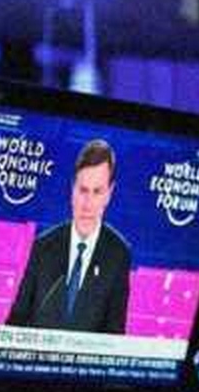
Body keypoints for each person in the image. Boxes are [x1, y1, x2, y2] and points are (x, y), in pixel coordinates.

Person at [7, 139, 131, 333]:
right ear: (72, 189)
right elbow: (17, 319)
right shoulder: (44, 246)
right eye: (83, 190)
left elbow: (114, 332)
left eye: (97, 192)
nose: (88, 204)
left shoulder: (118, 253)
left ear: (109, 194)